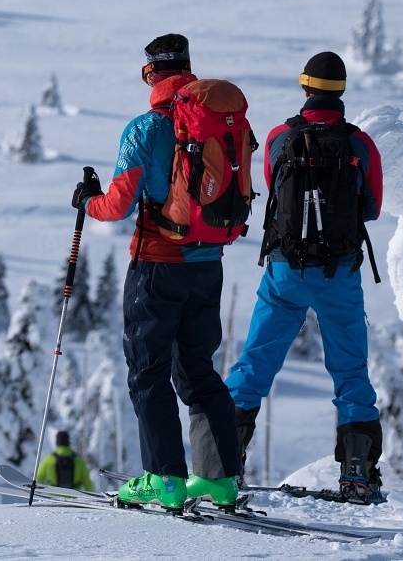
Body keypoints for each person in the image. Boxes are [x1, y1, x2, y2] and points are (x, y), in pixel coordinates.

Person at [70, 34, 242, 510]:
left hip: (157, 267)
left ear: (150, 75)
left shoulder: (144, 129)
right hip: (209, 266)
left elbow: (118, 205)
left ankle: (164, 479)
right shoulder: (216, 124)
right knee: (199, 371)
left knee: (148, 371)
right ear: (188, 69)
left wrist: (88, 200)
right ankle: (220, 480)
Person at [223, 50, 386, 503]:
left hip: (284, 270)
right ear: (342, 91)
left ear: (305, 85)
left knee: (254, 364)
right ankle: (357, 474)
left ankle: (222, 465)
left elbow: (274, 191)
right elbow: (371, 207)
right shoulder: (360, 144)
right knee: (351, 371)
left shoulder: (279, 137)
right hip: (339, 274)